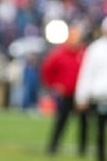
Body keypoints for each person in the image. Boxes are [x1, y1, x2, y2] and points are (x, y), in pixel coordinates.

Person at [41, 21, 88, 157]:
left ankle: (82, 149)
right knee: (61, 120)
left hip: (81, 94)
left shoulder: (84, 53)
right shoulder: (59, 53)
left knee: (83, 122)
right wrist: (53, 84)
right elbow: (47, 69)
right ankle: (53, 146)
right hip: (66, 93)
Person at [76, 18, 107, 161]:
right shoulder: (95, 48)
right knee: (99, 130)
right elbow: (86, 73)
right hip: (99, 96)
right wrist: (82, 96)